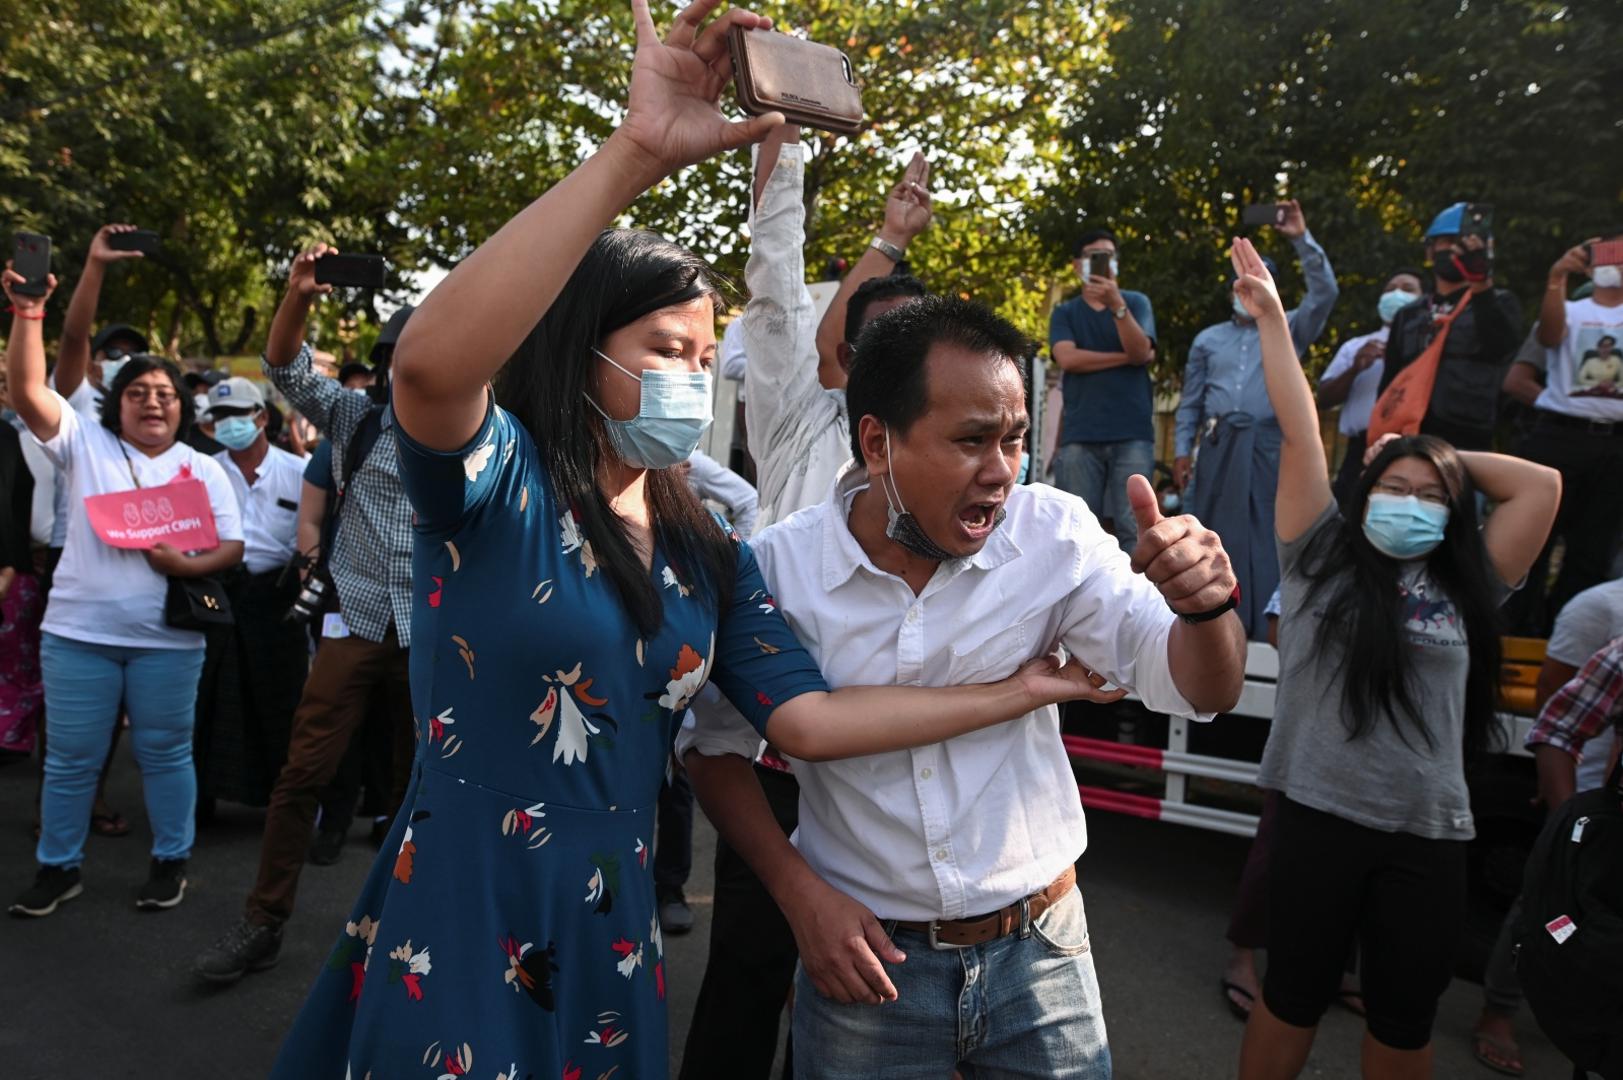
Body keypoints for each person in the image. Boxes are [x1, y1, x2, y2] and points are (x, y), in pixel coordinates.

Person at [264, 7, 1111, 1075]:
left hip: (611, 921)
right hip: (469, 902)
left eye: (705, 360)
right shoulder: (498, 486)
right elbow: (429, 369)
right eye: (666, 350)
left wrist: (1024, 691)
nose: (691, 379)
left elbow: (807, 721)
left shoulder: (705, 540)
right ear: (583, 353)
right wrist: (634, 154)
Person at [681, 290, 1245, 1079]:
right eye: (971, 440)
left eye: (1014, 440)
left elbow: (1199, 688)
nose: (1000, 474)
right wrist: (798, 894)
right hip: (866, 964)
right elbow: (712, 749)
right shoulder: (779, 570)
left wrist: (1206, 606)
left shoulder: (1054, 535)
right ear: (876, 442)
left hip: (1043, 954)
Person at [1225, 235, 1560, 1079]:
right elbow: (1301, 430)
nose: (1408, 505)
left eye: (1428, 499)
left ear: (1450, 513)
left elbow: (1542, 487)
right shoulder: (1318, 558)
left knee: (1404, 1020)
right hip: (1313, 819)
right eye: (1392, 491)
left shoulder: (1473, 579)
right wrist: (1272, 319)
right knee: (1290, 996)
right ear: (1361, 493)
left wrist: (1433, 461)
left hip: (1425, 837)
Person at [679, 125, 932, 1080]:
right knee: (750, 959)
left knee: (864, 979)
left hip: (886, 767)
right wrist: (776, 143)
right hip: (775, 755)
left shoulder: (949, 470)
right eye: (878, 339)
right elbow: (774, 281)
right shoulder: (796, 414)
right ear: (846, 355)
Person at [2, 265, 246, 918]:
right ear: (117, 401)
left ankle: (171, 863)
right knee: (70, 762)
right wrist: (29, 311)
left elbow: (232, 548)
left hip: (168, 642)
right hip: (77, 636)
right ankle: (58, 868)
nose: (153, 402)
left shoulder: (203, 467)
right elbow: (28, 390)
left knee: (165, 754)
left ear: (181, 405)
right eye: (138, 391)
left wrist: (183, 566)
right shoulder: (85, 444)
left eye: (165, 393)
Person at [191, 283, 417, 980]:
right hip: (356, 624)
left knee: (430, 791)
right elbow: (285, 367)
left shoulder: (493, 433)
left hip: (442, 636)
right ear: (387, 366)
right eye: (407, 357)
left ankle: (416, 936)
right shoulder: (358, 419)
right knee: (302, 775)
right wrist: (296, 295)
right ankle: (262, 922)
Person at [1471, 574, 1623, 1075]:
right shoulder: (1599, 609)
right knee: (1546, 912)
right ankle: (1500, 1011)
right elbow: (1557, 714)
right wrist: (1571, 829)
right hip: (1604, 826)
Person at [1174, 201, 1339, 638]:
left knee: (1269, 535)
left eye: (1259, 281)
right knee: (1210, 532)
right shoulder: (1208, 339)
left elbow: (1325, 294)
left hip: (1269, 446)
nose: (1246, 288)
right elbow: (1190, 401)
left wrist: (1301, 239)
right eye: (1241, 281)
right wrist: (1180, 450)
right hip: (1218, 447)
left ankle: (1264, 630)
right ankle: (1206, 625)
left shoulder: (1289, 328)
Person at [190, 377, 310, 815]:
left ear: (261, 417)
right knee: (208, 698)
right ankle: (200, 800)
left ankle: (281, 804)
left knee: (280, 698)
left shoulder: (298, 472)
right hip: (216, 595)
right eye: (219, 417)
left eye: (238, 415)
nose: (229, 424)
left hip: (276, 599)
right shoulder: (203, 471)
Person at [1501, 232, 1623, 633]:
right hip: (1560, 437)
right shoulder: (1570, 310)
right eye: (1610, 252)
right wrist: (1557, 278)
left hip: (1615, 444)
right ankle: (1516, 630)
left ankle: (1566, 635)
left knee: (1593, 549)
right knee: (1536, 537)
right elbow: (1549, 336)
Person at [1377, 202, 1523, 452]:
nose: (1456, 248)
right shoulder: (1409, 314)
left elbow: (1501, 349)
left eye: (1465, 241)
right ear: (1430, 251)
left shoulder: (1499, 303)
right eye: (1448, 240)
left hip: (1467, 443)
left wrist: (1480, 285)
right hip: (1406, 439)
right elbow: (1390, 380)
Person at [1049, 227, 1158, 551]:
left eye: (1109, 256)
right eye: (1094, 256)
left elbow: (1141, 351)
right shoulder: (1065, 312)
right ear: (1076, 264)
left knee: (1136, 528)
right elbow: (1067, 358)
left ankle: (1138, 602)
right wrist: (1128, 358)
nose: (1103, 263)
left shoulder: (1136, 303)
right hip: (1080, 435)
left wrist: (1117, 306)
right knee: (1077, 531)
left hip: (1132, 433)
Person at [1317, 269, 1426, 502]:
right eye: (1390, 289)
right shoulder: (1356, 346)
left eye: (1407, 289)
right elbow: (1324, 399)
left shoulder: (1431, 347)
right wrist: (1355, 368)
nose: (1397, 294)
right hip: (1359, 451)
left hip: (1414, 447)